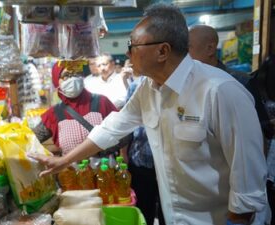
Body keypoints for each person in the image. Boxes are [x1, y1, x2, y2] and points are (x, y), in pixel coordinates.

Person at [30, 3, 268, 225]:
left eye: (133, 45)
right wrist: (64, 161)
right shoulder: (149, 88)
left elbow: (248, 183)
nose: (128, 53)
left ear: (162, 51)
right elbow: (113, 127)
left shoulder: (220, 92)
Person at [189, 25, 274, 151]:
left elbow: (261, 129)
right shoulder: (189, 82)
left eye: (188, 48)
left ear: (210, 49)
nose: (182, 56)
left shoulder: (239, 82)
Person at [32, 62, 122, 156]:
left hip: (104, 168)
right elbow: (31, 139)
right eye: (66, 75)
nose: (73, 79)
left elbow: (123, 133)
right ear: (56, 81)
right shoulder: (53, 113)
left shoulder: (102, 102)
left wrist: (105, 150)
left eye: (76, 74)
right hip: (71, 170)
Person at [125, 74, 165, 225]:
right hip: (141, 159)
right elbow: (125, 123)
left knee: (167, 213)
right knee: (143, 209)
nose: (130, 55)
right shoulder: (136, 86)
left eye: (134, 49)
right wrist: (124, 154)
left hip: (170, 165)